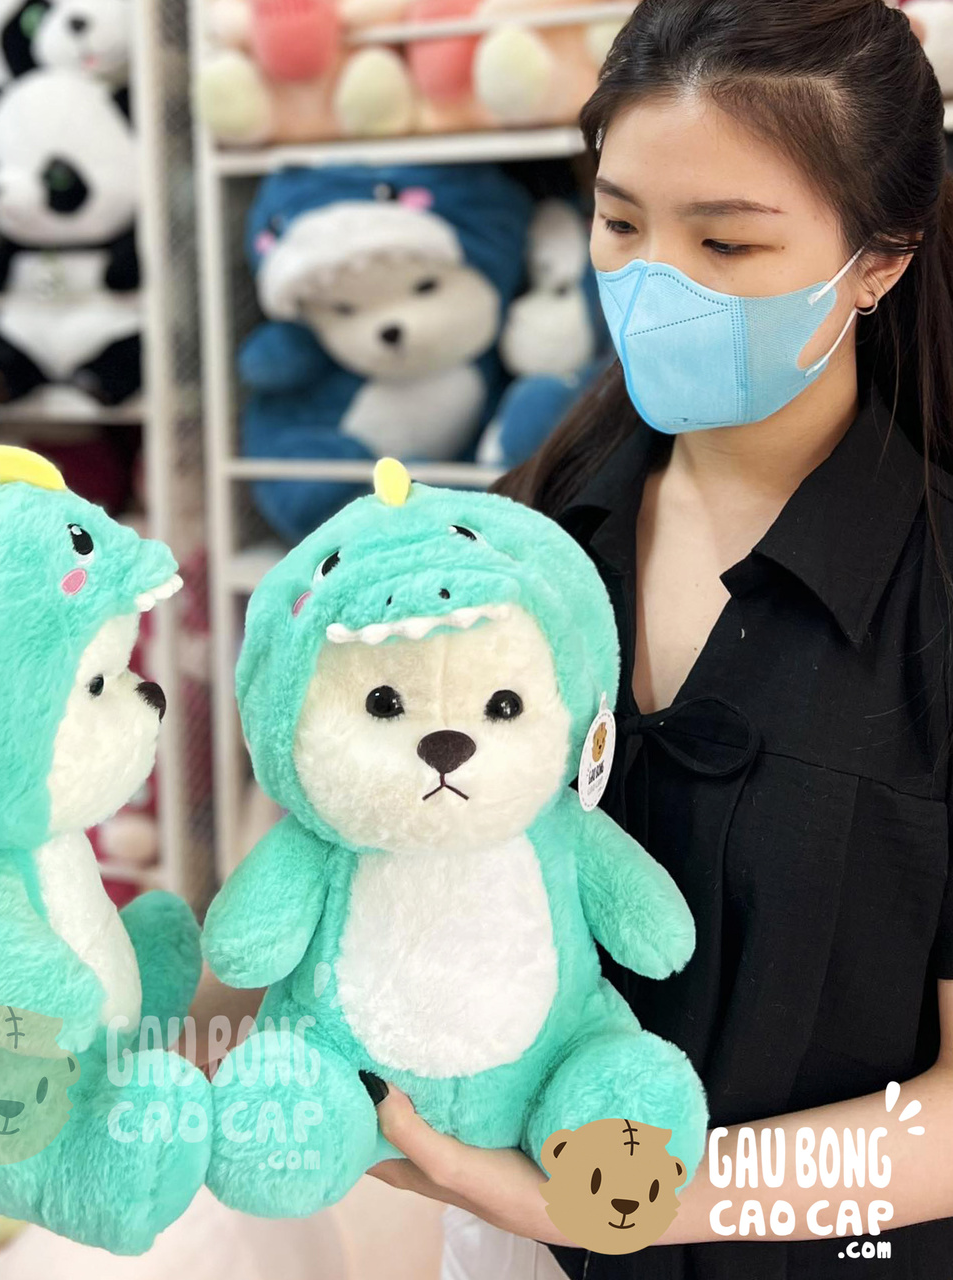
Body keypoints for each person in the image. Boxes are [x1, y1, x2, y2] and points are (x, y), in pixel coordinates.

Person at [365, 1, 953, 1276]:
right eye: (619, 223)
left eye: (724, 242)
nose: (652, 283)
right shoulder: (517, 538)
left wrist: (626, 1203)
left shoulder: (932, 605)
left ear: (880, 257)